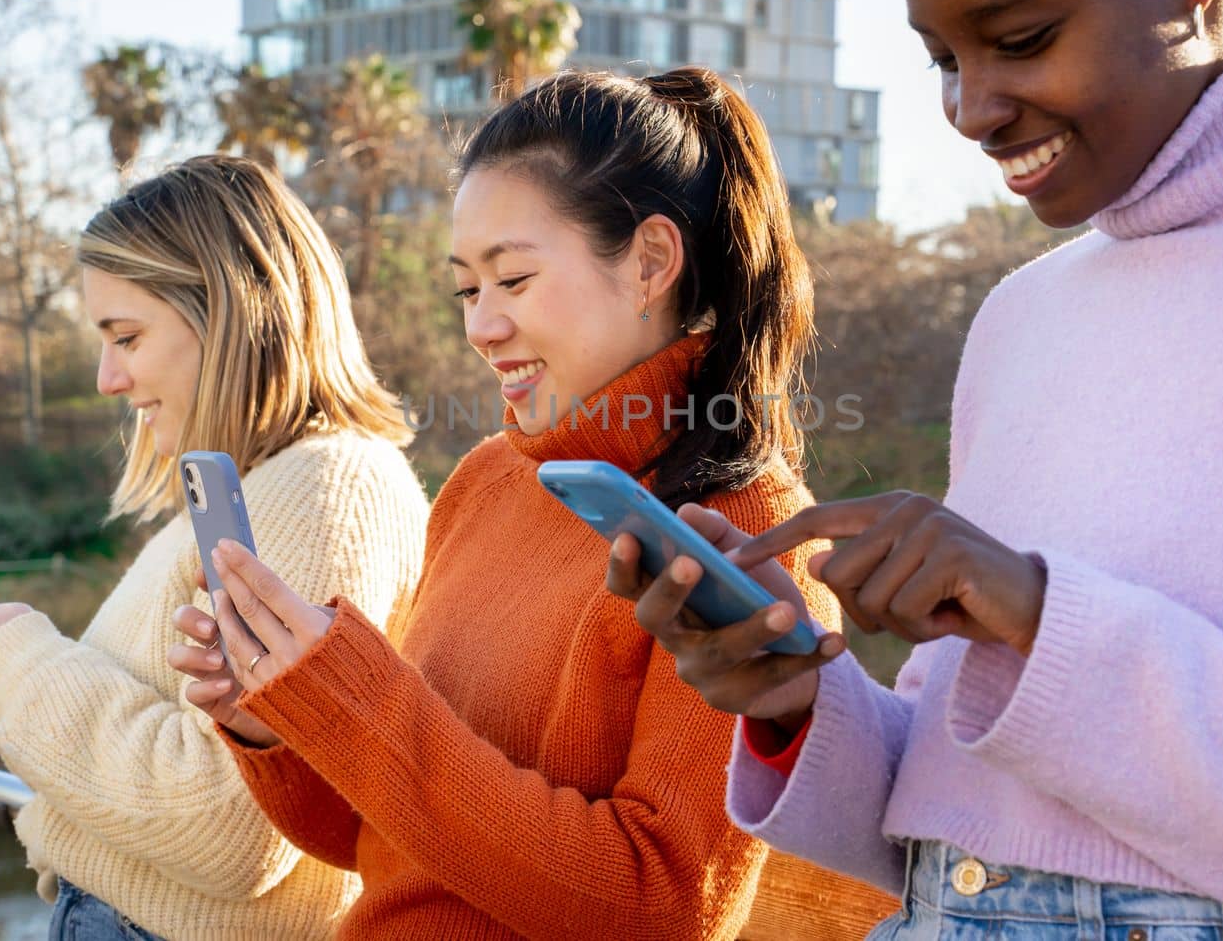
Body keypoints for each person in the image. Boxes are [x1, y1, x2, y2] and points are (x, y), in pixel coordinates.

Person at [609, 0, 1223, 939]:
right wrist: (795, 701)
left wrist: (1041, 616)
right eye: (944, 59)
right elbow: (972, 813)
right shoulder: (1021, 315)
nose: (969, 108)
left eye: (1022, 36)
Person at [166, 67, 851, 938]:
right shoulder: (485, 480)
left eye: (513, 280)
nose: (480, 325)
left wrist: (364, 704)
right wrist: (279, 722)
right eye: (467, 288)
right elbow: (389, 842)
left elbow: (665, 906)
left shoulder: (748, 528)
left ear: (649, 261)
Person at [0, 154, 429, 939]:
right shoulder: (253, 488)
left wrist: (21, 661)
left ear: (232, 315)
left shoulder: (320, 493)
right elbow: (138, 758)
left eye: (126, 336)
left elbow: (233, 829)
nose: (106, 379)